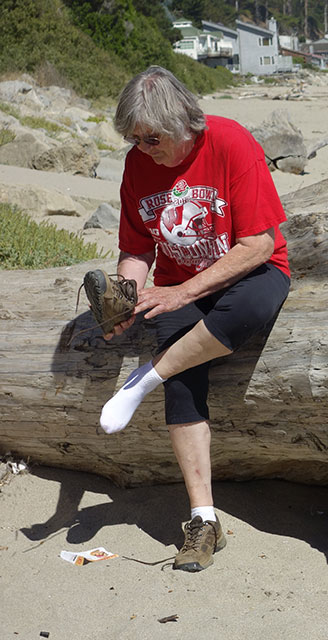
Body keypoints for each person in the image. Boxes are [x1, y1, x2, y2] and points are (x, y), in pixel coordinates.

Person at [95, 66, 291, 572]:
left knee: (248, 306)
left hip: (249, 272)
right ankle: (204, 520)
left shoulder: (230, 142)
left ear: (185, 123)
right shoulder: (138, 166)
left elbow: (259, 244)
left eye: (152, 138)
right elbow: (136, 248)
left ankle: (145, 378)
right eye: (134, 139)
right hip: (181, 288)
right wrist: (126, 297)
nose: (143, 148)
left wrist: (183, 290)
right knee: (184, 381)